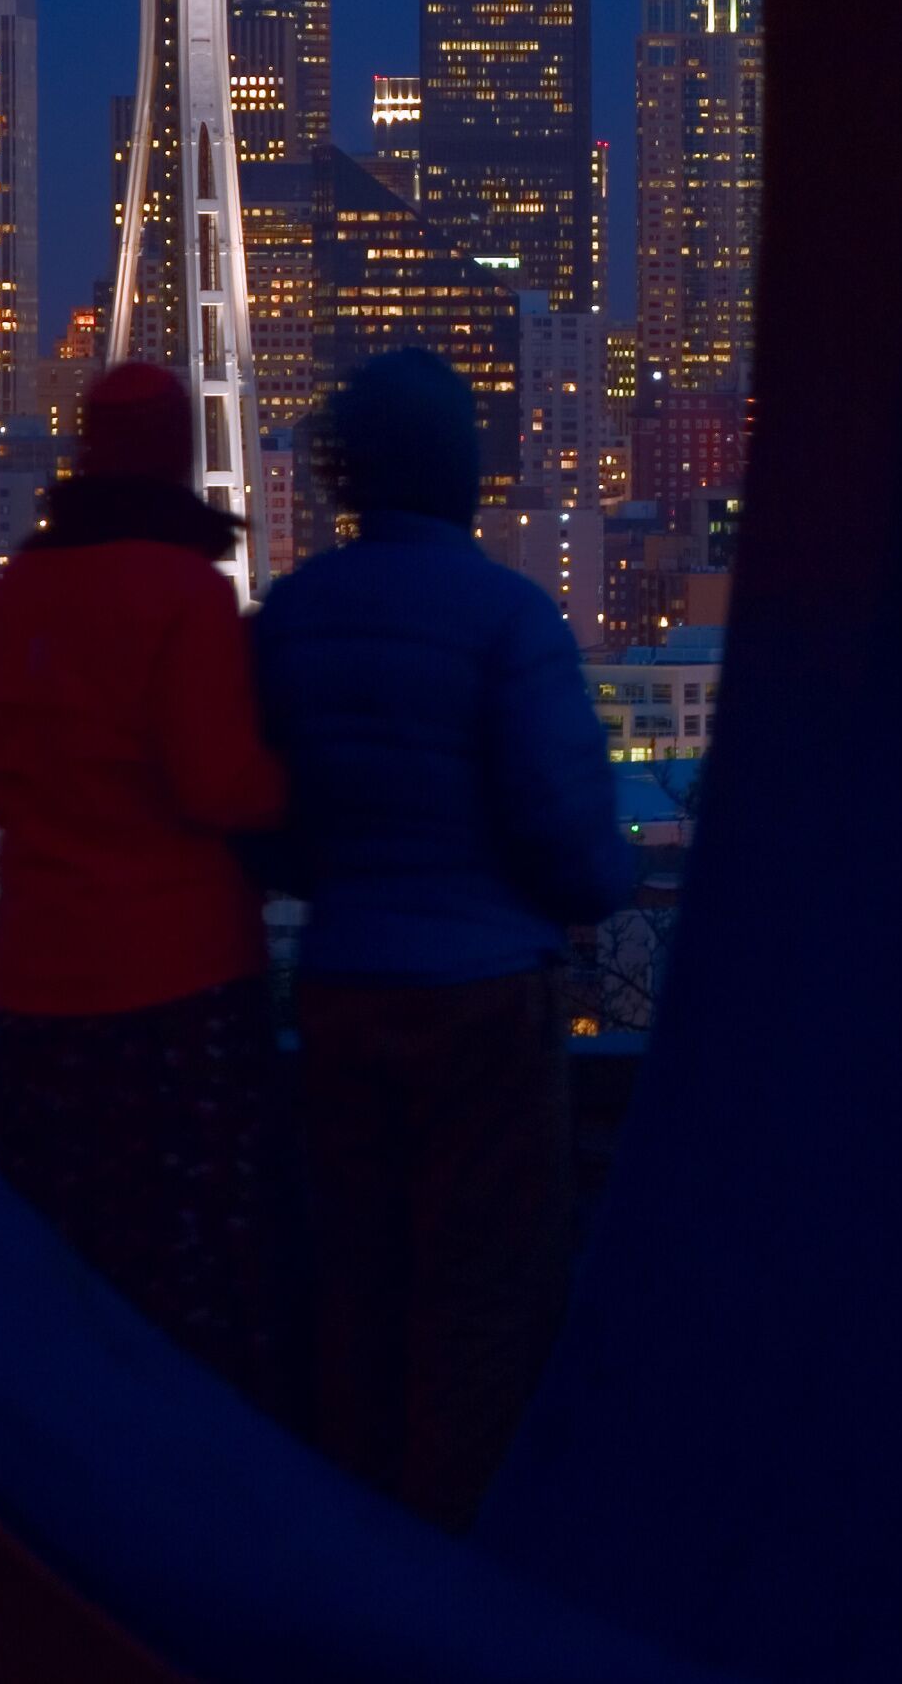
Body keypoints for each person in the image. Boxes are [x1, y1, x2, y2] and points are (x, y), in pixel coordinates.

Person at [254, 348, 636, 1528]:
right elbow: (567, 831)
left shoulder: (293, 616)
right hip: (484, 1001)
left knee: (359, 1283)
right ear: (464, 468)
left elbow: (268, 825)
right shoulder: (509, 619)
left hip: (341, 990)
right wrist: (596, 892)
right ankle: (466, 1557)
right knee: (485, 1294)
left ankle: (357, 1548)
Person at [0, 361, 287, 1397]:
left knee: (62, 1274)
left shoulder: (7, 602)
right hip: (178, 989)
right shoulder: (186, 598)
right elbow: (221, 783)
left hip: (41, 983)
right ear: (183, 457)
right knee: (193, 1277)